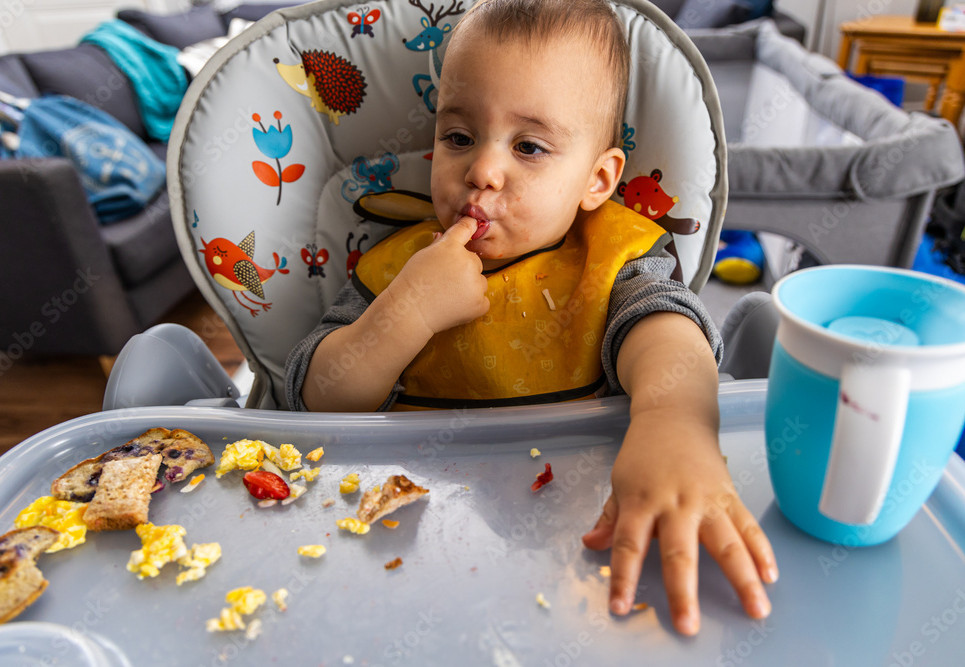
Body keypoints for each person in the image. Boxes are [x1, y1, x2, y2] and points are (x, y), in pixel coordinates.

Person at [285, 0, 777, 636]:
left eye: (530, 146)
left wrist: (674, 421)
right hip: (407, 551)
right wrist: (403, 314)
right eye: (458, 138)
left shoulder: (613, 263)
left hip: (582, 542)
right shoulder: (397, 269)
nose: (483, 170)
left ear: (597, 180)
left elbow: (665, 326)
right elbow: (316, 400)